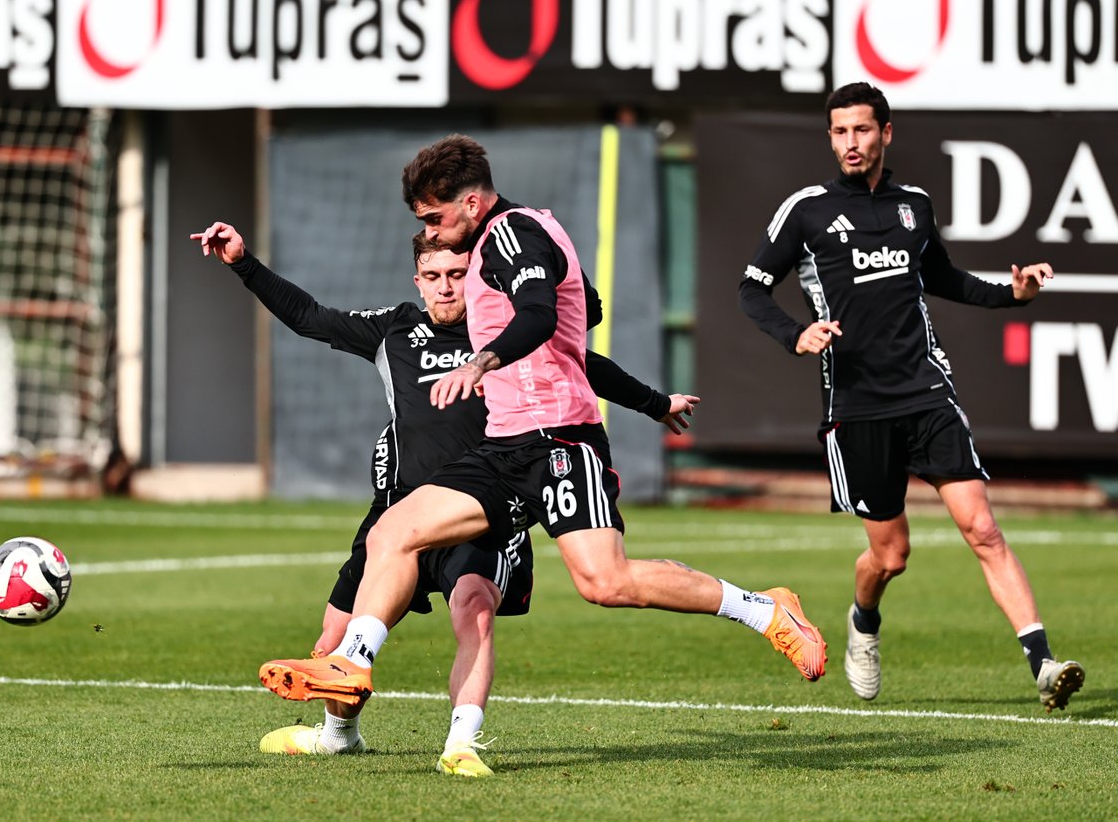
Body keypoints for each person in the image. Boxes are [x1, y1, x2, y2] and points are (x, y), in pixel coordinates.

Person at [257, 135, 828, 753]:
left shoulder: (512, 234)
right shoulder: (496, 247)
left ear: (472, 202)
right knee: (392, 531)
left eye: (434, 217)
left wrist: (483, 361)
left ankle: (765, 609)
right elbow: (579, 335)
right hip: (504, 445)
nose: (431, 230)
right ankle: (352, 662)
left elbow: (541, 317)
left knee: (606, 584)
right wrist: (654, 402)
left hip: (561, 439)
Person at [192, 222, 698, 776]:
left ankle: (461, 744)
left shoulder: (501, 334)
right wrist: (242, 262)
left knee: (474, 611)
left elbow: (584, 366)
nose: (445, 287)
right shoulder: (394, 332)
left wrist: (655, 403)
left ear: (477, 276)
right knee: (332, 637)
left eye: (457, 274)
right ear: (417, 280)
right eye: (433, 277)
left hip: (481, 509)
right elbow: (309, 316)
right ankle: (339, 734)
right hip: (400, 509)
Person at [738, 81, 1084, 712]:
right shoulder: (808, 209)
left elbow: (942, 277)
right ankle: (863, 623)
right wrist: (797, 334)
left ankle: (1043, 663)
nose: (851, 142)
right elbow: (752, 289)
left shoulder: (914, 205)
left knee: (982, 527)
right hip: (858, 406)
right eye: (840, 131)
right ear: (830, 137)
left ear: (885, 133)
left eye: (862, 130)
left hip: (927, 390)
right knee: (890, 555)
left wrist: (1014, 296)